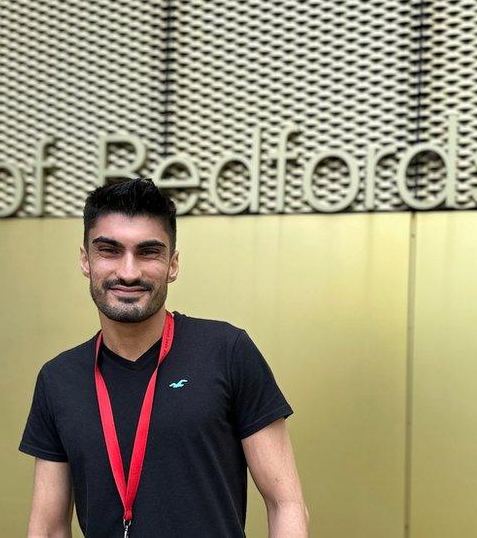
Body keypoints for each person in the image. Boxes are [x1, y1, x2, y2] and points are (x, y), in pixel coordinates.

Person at [18, 178, 308, 537]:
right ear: (85, 261)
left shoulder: (227, 351)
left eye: (148, 252)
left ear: (172, 264)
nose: (128, 271)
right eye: (109, 250)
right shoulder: (59, 379)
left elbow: (286, 503)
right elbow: (47, 527)